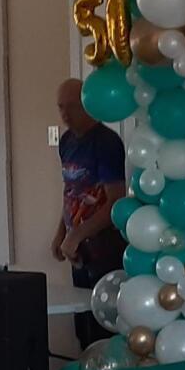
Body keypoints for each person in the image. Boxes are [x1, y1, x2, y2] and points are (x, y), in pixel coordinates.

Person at [53, 78, 127, 345]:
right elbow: (70, 191)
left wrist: (78, 234)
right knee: (81, 325)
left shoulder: (106, 143)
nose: (65, 114)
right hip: (78, 249)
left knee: (101, 325)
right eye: (61, 107)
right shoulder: (67, 142)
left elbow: (115, 201)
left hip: (104, 247)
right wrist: (62, 232)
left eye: (71, 107)